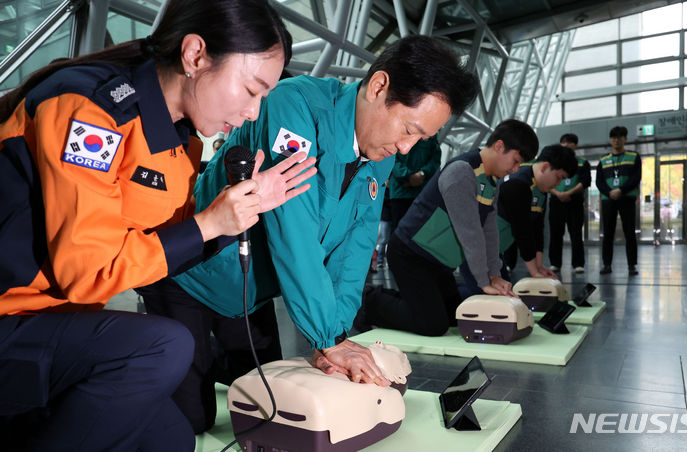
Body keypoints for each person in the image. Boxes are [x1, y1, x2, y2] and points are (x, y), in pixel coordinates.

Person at [0, 0, 315, 449]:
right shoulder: (91, 111)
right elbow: (86, 273)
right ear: (195, 56)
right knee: (162, 347)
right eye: (251, 89)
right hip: (13, 317)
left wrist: (232, 216)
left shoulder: (177, 138)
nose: (253, 112)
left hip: (54, 322)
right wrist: (206, 225)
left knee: (172, 437)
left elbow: (159, 245)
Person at [140, 35, 480, 431]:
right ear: (378, 87)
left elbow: (356, 244)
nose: (406, 148)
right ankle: (166, 361)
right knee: (195, 421)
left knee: (263, 407)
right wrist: (327, 338)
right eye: (409, 129)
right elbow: (294, 233)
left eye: (420, 139)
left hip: (251, 292)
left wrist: (337, 332)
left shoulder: (379, 152)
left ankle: (207, 361)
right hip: (192, 278)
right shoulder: (294, 106)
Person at [361, 119, 538, 336]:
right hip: (410, 254)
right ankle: (366, 302)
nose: (516, 169)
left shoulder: (492, 182)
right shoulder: (462, 172)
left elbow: (489, 233)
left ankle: (404, 302)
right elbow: (470, 232)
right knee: (434, 326)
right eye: (516, 161)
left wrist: (494, 275)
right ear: (500, 146)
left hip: (438, 262)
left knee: (455, 316)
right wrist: (483, 281)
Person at [496, 145, 578, 280]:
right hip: (477, 250)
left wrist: (539, 267)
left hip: (494, 252)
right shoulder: (518, 183)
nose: (558, 184)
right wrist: (534, 272)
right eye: (559, 177)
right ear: (545, 167)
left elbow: (537, 229)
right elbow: (522, 231)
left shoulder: (541, 189)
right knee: (478, 295)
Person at [596, 126, 642, 276]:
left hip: (627, 198)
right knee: (607, 233)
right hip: (608, 199)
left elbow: (636, 178)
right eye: (614, 137)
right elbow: (599, 181)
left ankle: (631, 266)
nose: (616, 140)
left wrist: (620, 190)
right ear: (611, 140)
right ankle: (607, 265)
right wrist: (610, 192)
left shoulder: (634, 157)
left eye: (620, 137)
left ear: (625, 139)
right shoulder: (603, 160)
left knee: (630, 232)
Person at [548, 133, 591, 274]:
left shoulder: (582, 163)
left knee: (576, 233)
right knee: (556, 233)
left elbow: (585, 181)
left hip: (575, 202)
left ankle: (578, 264)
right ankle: (555, 263)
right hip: (556, 201)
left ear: (576, 146)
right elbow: (546, 183)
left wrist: (569, 193)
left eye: (571, 143)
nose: (567, 145)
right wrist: (558, 193)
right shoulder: (552, 164)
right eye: (564, 143)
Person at [388, 134, 442, 231]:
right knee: (396, 231)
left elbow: (435, 160)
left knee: (416, 232)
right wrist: (408, 176)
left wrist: (422, 174)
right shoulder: (400, 129)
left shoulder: (431, 135)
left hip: (420, 194)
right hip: (400, 193)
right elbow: (391, 158)